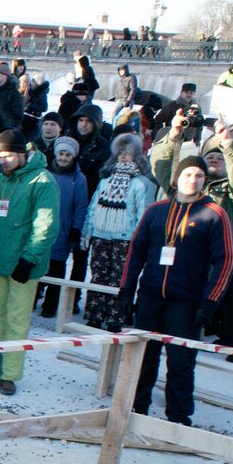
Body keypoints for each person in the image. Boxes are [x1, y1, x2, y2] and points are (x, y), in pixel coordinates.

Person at [121, 156, 233, 425]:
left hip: (186, 303)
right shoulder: (156, 211)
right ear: (176, 178)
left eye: (198, 175)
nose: (192, 180)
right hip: (150, 297)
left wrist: (210, 301)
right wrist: (126, 290)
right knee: (143, 358)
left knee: (181, 362)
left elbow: (226, 259)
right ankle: (136, 409)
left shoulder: (214, 214)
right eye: (187, 174)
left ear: (204, 180)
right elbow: (136, 251)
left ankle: (178, 417)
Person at [0, 130, 60, 395]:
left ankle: (9, 373)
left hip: (23, 264)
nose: (3, 161)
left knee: (17, 320)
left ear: (23, 153)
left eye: (8, 156)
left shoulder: (43, 182)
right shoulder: (1, 179)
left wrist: (29, 258)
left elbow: (46, 225)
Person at [81, 134, 156, 331]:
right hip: (101, 234)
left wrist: (140, 241)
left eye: (128, 153)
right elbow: (93, 207)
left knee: (119, 279)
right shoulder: (105, 181)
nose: (123, 157)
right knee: (98, 276)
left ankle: (115, 317)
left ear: (136, 157)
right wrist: (87, 231)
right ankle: (95, 315)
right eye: (120, 153)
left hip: (126, 238)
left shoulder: (141, 183)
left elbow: (143, 214)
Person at [37, 135, 89, 318]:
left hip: (62, 230)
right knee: (36, 264)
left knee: (57, 269)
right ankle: (32, 298)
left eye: (68, 155)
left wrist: (76, 229)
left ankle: (50, 305)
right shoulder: (45, 172)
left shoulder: (78, 178)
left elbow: (81, 206)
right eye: (61, 153)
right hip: (40, 227)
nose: (64, 158)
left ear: (73, 157)